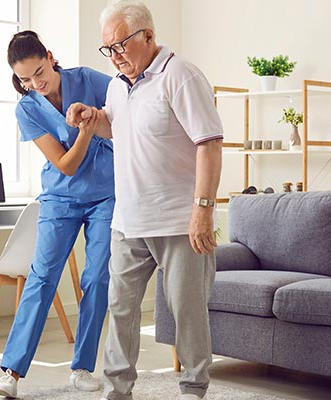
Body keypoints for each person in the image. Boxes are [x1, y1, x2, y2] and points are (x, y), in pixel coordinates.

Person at [66, 1, 223, 399]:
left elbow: (210, 144)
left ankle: (193, 389)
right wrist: (93, 117)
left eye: (120, 46)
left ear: (147, 36)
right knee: (120, 310)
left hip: (178, 222)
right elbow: (118, 126)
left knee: (187, 314)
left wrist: (202, 211)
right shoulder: (118, 85)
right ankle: (117, 391)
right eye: (108, 49)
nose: (115, 57)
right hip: (129, 220)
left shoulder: (181, 76)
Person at [0, 30, 115, 398]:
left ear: (50, 56)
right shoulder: (27, 108)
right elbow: (65, 164)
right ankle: (11, 372)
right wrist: (88, 133)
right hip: (60, 198)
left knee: (96, 279)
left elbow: (129, 99)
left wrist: (98, 119)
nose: (35, 83)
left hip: (106, 195)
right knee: (42, 278)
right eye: (25, 79)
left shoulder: (89, 79)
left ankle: (82, 368)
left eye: (39, 72)